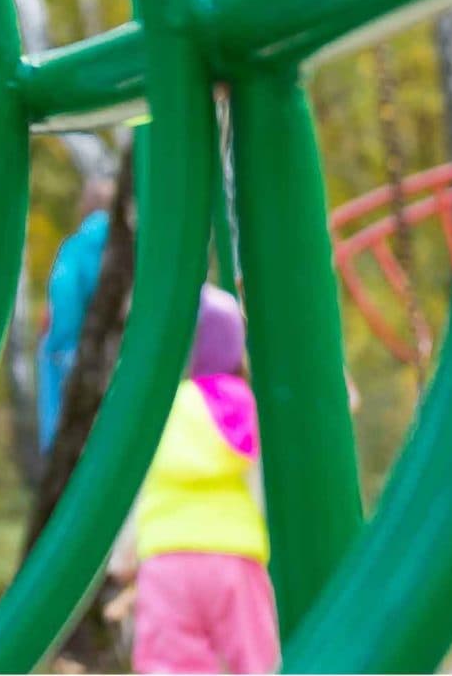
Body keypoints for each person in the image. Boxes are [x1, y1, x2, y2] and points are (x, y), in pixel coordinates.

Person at [124, 285, 279, 674]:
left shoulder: (158, 411)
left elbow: (135, 491)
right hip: (234, 556)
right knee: (255, 660)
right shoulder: (246, 407)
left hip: (166, 560)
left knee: (171, 665)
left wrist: (125, 558)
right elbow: (260, 483)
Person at [36, 175, 116, 451]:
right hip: (119, 354)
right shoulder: (132, 247)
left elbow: (64, 296)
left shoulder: (77, 247)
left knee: (67, 440)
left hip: (74, 352)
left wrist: (56, 346)